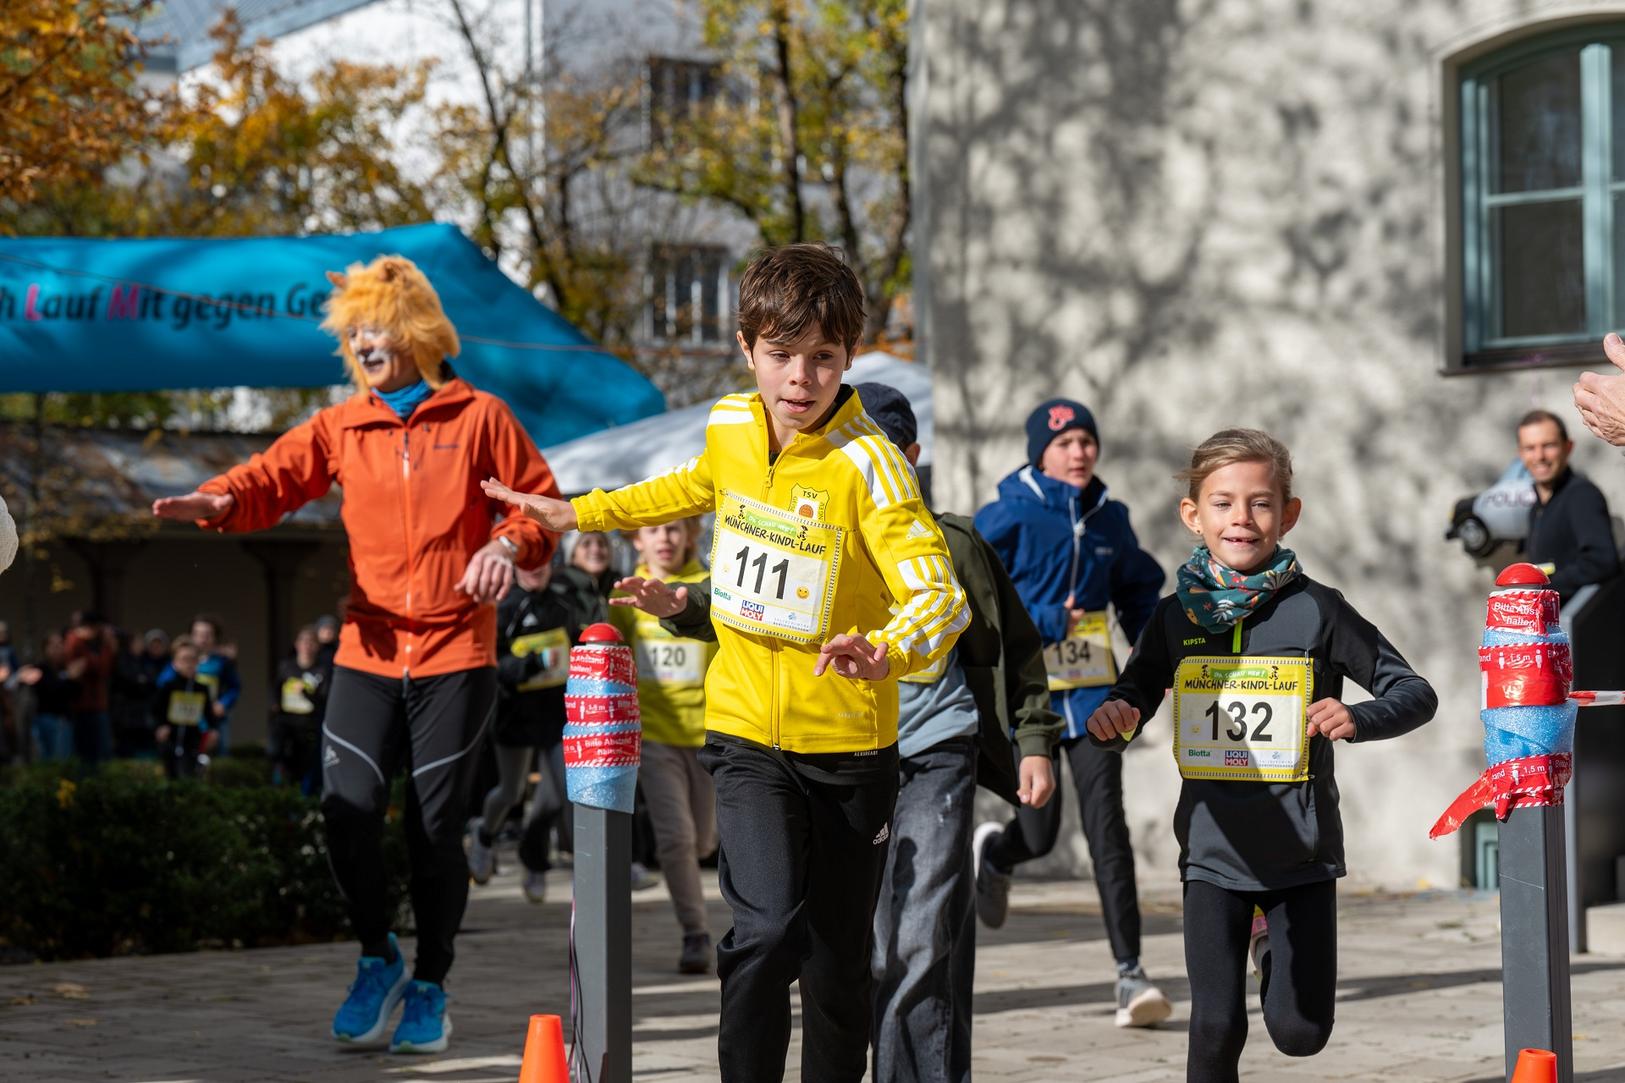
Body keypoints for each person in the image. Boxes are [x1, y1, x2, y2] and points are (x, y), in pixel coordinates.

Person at [482, 242, 969, 1083]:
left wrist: (885, 647)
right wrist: (575, 512)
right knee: (766, 930)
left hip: (850, 747)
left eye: (824, 357)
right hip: (743, 730)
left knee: (835, 965)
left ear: (848, 355)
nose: (801, 378)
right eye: (782, 354)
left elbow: (940, 596)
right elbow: (684, 487)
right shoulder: (729, 425)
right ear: (747, 349)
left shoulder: (871, 465)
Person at [151, 254, 559, 1055]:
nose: (367, 344)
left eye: (378, 329)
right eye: (355, 333)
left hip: (454, 652)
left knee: (435, 830)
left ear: (417, 333)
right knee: (345, 812)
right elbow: (272, 478)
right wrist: (221, 500)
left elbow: (537, 507)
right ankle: (379, 955)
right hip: (368, 651)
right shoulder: (343, 425)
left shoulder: (481, 417)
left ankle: (432, 984)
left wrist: (507, 546)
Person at [625, 383, 1062, 1081]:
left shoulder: (951, 541)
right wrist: (685, 606)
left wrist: (1033, 739)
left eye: (880, 455)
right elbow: (753, 606)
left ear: (907, 459)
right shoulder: (796, 514)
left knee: (911, 938)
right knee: (826, 942)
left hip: (935, 746)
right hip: (828, 744)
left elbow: (1014, 644)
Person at [1084, 428, 1437, 1083]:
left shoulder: (1318, 611)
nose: (1240, 518)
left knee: (1300, 1033)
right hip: (1213, 852)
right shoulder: (1172, 618)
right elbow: (1133, 690)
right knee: (1214, 1024)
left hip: (1298, 856)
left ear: (1288, 513)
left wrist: (1355, 716)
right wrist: (1119, 712)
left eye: (1259, 503)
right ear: (1192, 516)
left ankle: (1267, 945)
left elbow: (1413, 692)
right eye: (1221, 503)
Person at [969, 397, 1170, 1026]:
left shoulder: (1111, 519)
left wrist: (1150, 639)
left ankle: (1129, 976)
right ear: (1040, 453)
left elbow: (1137, 587)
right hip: (1026, 698)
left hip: (1092, 696)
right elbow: (973, 595)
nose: (1080, 452)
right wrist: (1044, 619)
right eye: (1065, 443)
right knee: (1039, 832)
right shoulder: (1004, 516)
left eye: (1087, 440)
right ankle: (998, 855)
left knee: (1108, 828)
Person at [608, 518, 720, 973]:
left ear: (690, 535)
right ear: (638, 540)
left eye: (674, 529)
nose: (665, 539)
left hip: (708, 733)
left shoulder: (709, 586)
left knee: (702, 841)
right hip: (653, 736)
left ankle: (689, 884)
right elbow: (616, 659)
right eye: (654, 531)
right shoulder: (624, 596)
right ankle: (695, 933)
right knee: (676, 839)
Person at [467, 559, 600, 902]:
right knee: (510, 792)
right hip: (516, 715)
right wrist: (531, 664)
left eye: (539, 562)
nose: (534, 570)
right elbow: (491, 659)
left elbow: (576, 646)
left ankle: (535, 860)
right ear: (512, 569)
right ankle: (484, 834)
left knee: (559, 795)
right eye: (525, 564)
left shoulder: (561, 604)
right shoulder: (504, 606)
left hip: (557, 715)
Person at [1516, 408, 1619, 605]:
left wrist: (1542, 591)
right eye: (1530, 448)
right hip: (1552, 628)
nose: (1539, 456)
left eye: (1548, 445)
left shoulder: (1582, 495)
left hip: (1581, 631)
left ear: (1568, 447)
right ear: (1520, 454)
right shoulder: (1535, 509)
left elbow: (1602, 560)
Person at [272, 625, 330, 793]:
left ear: (317, 647)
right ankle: (279, 795)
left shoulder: (322, 671)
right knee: (279, 759)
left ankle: (303, 800)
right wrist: (274, 706)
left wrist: (305, 692)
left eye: (311, 642)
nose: (307, 646)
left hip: (308, 726)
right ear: (297, 644)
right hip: (285, 724)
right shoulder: (286, 667)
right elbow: (274, 690)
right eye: (304, 642)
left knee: (304, 765)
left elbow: (324, 699)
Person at [153, 636, 217, 779]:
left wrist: (212, 730)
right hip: (170, 739)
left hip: (192, 738)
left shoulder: (201, 689)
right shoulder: (168, 686)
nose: (189, 664)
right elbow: (157, 710)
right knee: (170, 773)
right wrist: (161, 726)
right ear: (175, 662)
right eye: (184, 659)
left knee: (191, 773)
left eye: (192, 659)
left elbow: (208, 713)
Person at [17, 631, 77, 762]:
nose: (58, 650)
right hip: (46, 719)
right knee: (49, 760)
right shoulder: (40, 669)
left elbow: (74, 692)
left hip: (64, 719)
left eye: (60, 645)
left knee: (64, 761)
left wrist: (71, 679)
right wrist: (70, 679)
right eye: (54, 646)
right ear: (45, 649)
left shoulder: (65, 669)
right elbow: (51, 691)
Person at [64, 611, 113, 768]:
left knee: (99, 754)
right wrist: (106, 646)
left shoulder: (93, 645)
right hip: (83, 706)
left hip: (97, 705)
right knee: (86, 756)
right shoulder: (75, 641)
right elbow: (99, 668)